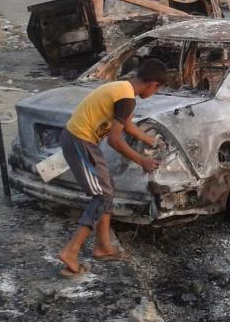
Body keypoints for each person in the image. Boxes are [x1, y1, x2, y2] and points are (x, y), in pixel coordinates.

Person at [57, 59, 166, 277]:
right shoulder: (127, 99)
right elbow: (115, 140)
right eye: (158, 89)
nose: (156, 92)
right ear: (153, 84)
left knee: (107, 188)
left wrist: (149, 139)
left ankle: (103, 246)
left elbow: (127, 126)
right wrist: (141, 160)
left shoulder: (124, 88)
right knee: (101, 195)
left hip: (82, 140)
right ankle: (71, 250)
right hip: (80, 141)